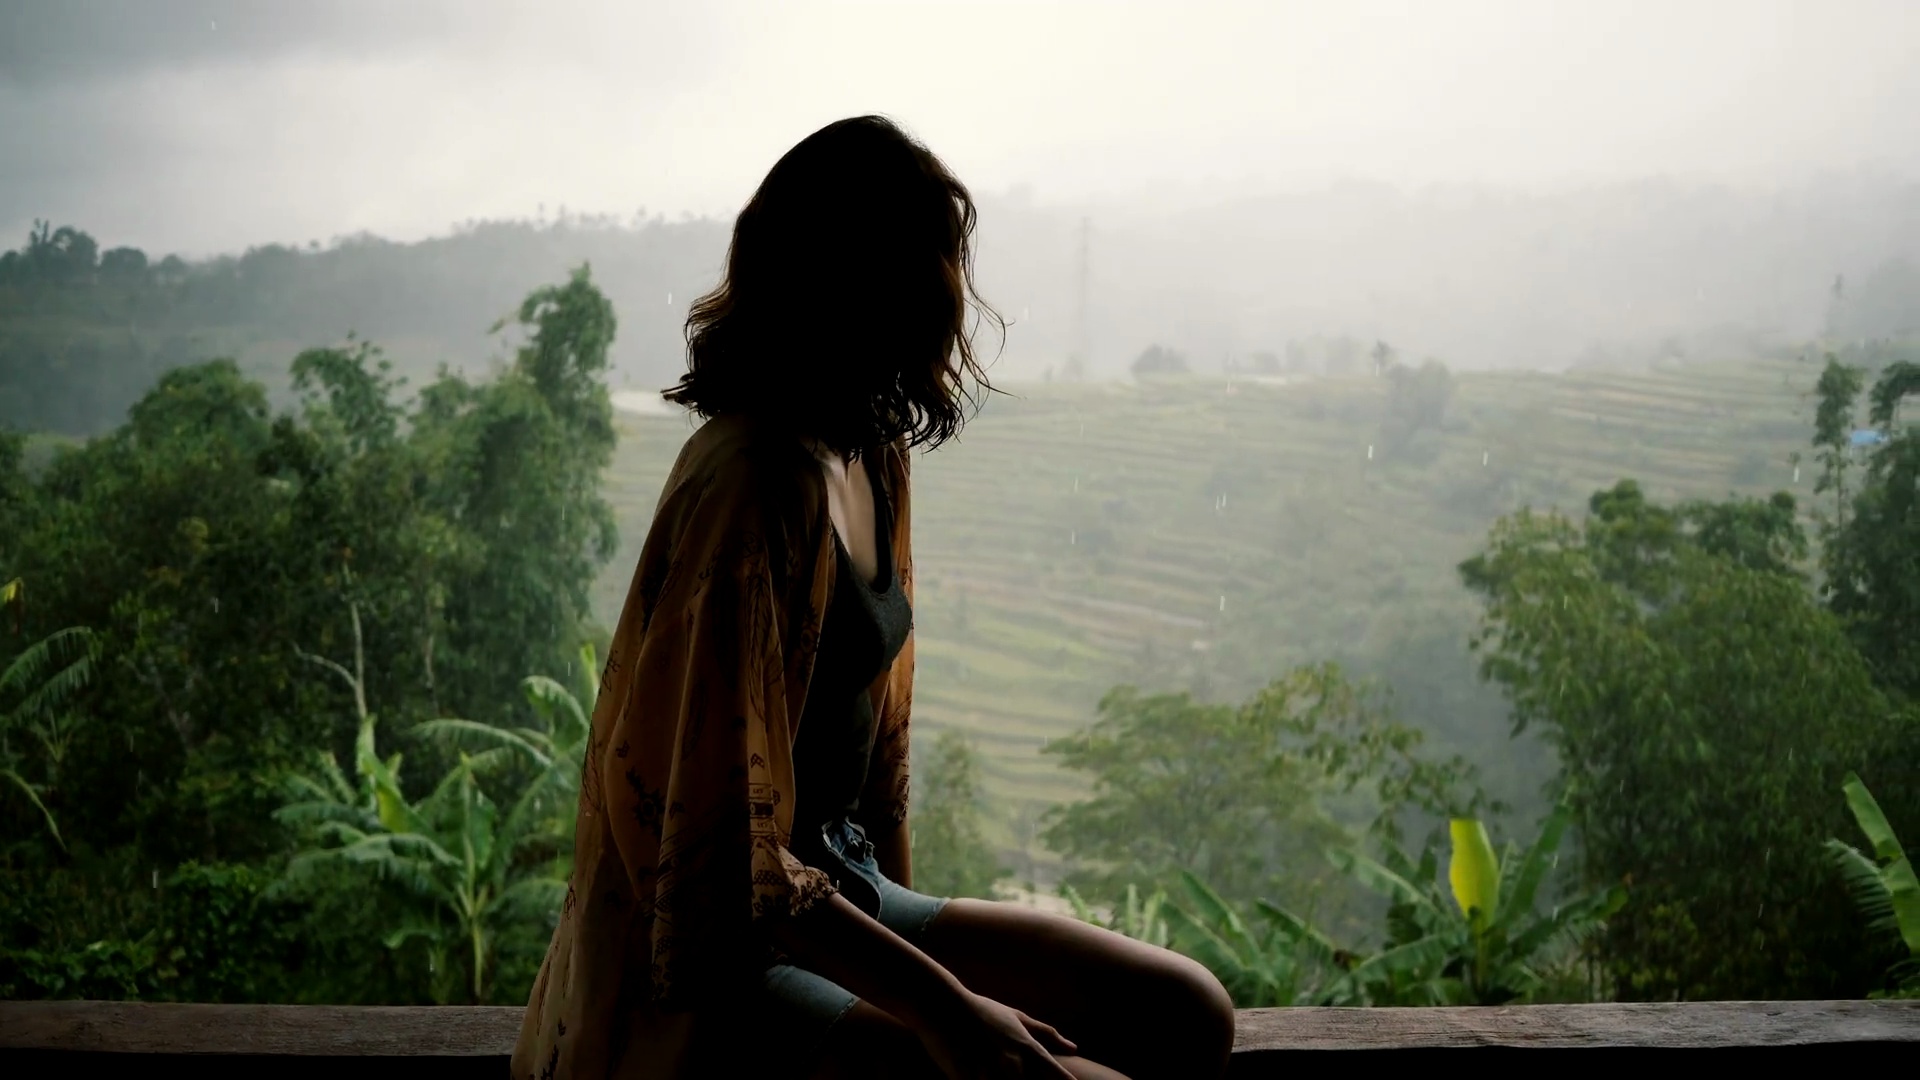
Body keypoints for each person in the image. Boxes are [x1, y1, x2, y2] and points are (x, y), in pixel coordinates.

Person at [512, 115, 1235, 1080]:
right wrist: (947, 1014)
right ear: (848, 277)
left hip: (838, 891)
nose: (950, 297)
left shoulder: (874, 449)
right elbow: (724, 866)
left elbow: (877, 751)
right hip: (710, 951)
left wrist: (915, 975)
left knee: (1187, 1012)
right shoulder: (750, 482)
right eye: (928, 261)